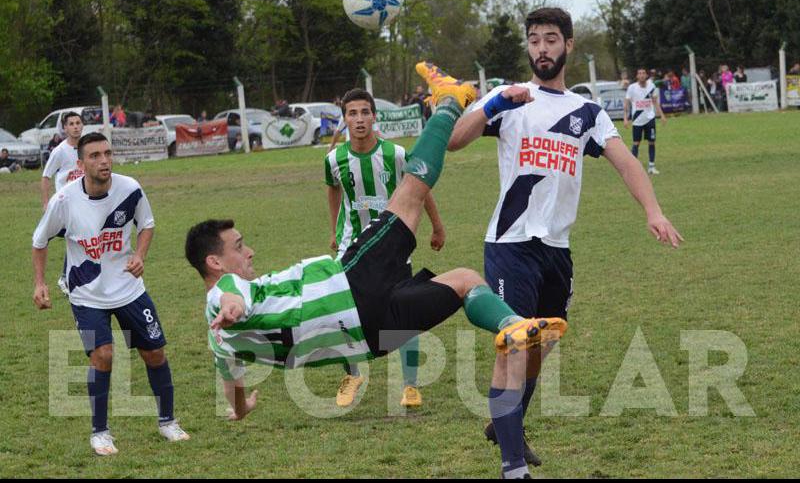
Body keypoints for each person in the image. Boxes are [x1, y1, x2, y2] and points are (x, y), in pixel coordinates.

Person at [186, 66, 570, 479]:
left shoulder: (222, 348)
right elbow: (230, 298)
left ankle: (512, 343)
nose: (250, 251)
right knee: (410, 193)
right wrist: (231, 306)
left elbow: (234, 391)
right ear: (215, 262)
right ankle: (449, 99)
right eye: (240, 247)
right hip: (350, 283)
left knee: (464, 282)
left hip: (367, 338)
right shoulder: (223, 292)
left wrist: (242, 409)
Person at [449, 7, 683, 476]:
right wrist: (494, 107)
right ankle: (514, 466)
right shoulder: (508, 97)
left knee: (542, 343)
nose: (542, 48)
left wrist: (653, 211)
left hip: (557, 250)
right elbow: (454, 140)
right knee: (515, 344)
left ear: (568, 45)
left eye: (551, 39)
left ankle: (504, 422)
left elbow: (626, 162)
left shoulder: (587, 112)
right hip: (510, 244)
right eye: (534, 39)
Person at [32, 133, 189, 455]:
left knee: (155, 354)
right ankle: (100, 432)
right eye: (94, 156)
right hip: (87, 293)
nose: (104, 160)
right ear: (80, 164)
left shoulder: (129, 188)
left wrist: (140, 255)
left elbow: (146, 224)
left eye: (107, 153)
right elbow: (39, 240)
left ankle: (168, 422)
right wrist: (40, 283)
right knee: (103, 355)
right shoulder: (64, 201)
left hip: (130, 288)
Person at [324, 88, 446, 408]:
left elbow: (421, 190)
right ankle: (352, 374)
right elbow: (333, 191)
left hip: (393, 240)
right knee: (342, 311)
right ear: (345, 119)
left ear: (374, 116)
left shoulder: (396, 155)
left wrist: (437, 225)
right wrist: (334, 229)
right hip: (351, 245)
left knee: (403, 307)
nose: (360, 119)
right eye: (353, 113)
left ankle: (409, 386)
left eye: (365, 112)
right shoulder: (334, 160)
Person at [41, 112, 86, 295]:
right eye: (72, 124)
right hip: (65, 203)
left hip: (84, 201)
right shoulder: (59, 151)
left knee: (80, 237)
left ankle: (68, 277)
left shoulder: (86, 146)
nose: (76, 126)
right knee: (72, 236)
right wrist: (45, 203)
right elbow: (45, 176)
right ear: (65, 128)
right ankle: (64, 277)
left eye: (78, 123)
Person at [625, 68, 668, 175]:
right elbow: (626, 103)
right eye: (639, 73)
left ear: (646, 75)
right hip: (637, 120)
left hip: (650, 118)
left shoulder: (651, 86)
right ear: (637, 76)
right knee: (636, 143)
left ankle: (651, 167)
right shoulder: (632, 88)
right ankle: (632, 168)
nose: (642, 75)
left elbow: (655, 102)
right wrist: (626, 118)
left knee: (652, 142)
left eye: (643, 73)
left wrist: (662, 115)